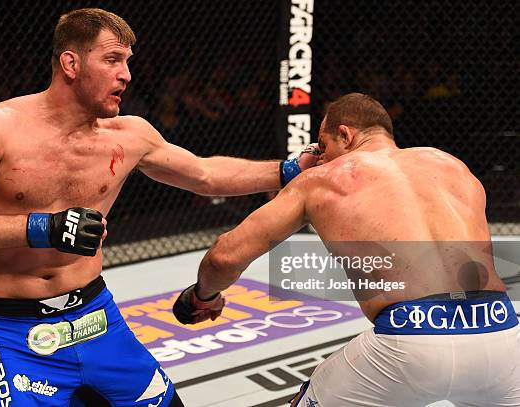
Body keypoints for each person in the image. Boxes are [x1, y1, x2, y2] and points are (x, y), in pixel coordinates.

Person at [0, 8, 318, 407]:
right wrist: (43, 227)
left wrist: (289, 170)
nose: (127, 76)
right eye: (113, 60)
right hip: (13, 330)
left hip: (96, 317)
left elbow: (205, 174)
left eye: (128, 63)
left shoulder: (129, 135)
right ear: (71, 63)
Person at [173, 93, 520, 406]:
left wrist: (203, 296)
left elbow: (225, 255)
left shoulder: (324, 178)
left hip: (409, 341)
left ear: (346, 135)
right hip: (501, 334)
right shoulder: (451, 166)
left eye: (322, 146)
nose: (320, 156)